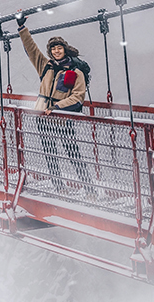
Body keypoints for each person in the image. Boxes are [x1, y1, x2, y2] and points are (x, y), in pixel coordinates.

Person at [15, 11, 96, 198]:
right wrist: (21, 28)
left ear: (64, 50)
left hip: (62, 118)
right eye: (53, 49)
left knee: (73, 154)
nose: (56, 51)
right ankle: (59, 187)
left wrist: (57, 108)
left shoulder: (76, 72)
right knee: (50, 156)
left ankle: (90, 190)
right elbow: (31, 49)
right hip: (43, 117)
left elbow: (78, 96)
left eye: (59, 48)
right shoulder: (45, 66)